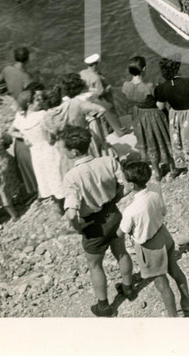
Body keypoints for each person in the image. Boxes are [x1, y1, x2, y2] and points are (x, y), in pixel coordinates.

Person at [57, 126, 136, 317]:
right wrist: (114, 200)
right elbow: (128, 184)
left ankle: (103, 305)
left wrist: (78, 227)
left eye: (63, 148)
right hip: (113, 214)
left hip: (93, 225)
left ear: (74, 151)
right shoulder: (108, 161)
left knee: (95, 265)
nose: (62, 151)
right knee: (121, 251)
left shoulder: (71, 177)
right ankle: (128, 288)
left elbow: (70, 213)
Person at [119, 161, 189, 316]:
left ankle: (173, 317)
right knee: (175, 270)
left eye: (124, 181)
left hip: (149, 247)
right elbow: (163, 211)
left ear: (132, 185)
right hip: (163, 234)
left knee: (162, 284)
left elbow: (122, 232)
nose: (122, 183)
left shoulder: (130, 210)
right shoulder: (155, 189)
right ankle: (188, 303)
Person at [11, 88, 65, 215]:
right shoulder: (42, 115)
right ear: (29, 103)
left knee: (46, 176)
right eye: (37, 99)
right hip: (49, 148)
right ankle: (65, 203)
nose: (40, 101)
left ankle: (58, 205)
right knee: (57, 173)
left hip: (36, 151)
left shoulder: (20, 117)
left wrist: (23, 136)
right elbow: (50, 136)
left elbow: (11, 131)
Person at [122, 57, 175, 181]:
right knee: (163, 138)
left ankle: (156, 171)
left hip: (139, 114)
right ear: (144, 69)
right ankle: (172, 169)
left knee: (147, 140)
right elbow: (158, 105)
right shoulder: (149, 87)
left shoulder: (126, 86)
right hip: (153, 115)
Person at [154, 57, 189, 178]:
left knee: (179, 140)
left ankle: (182, 164)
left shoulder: (161, 87)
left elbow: (160, 106)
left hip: (175, 116)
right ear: (177, 69)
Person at [80, 54, 126, 135]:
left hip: (91, 98)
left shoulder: (82, 72)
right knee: (111, 113)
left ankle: (107, 130)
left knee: (102, 116)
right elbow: (100, 92)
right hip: (101, 98)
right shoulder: (96, 77)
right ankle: (121, 131)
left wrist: (90, 89)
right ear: (94, 64)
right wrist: (108, 88)